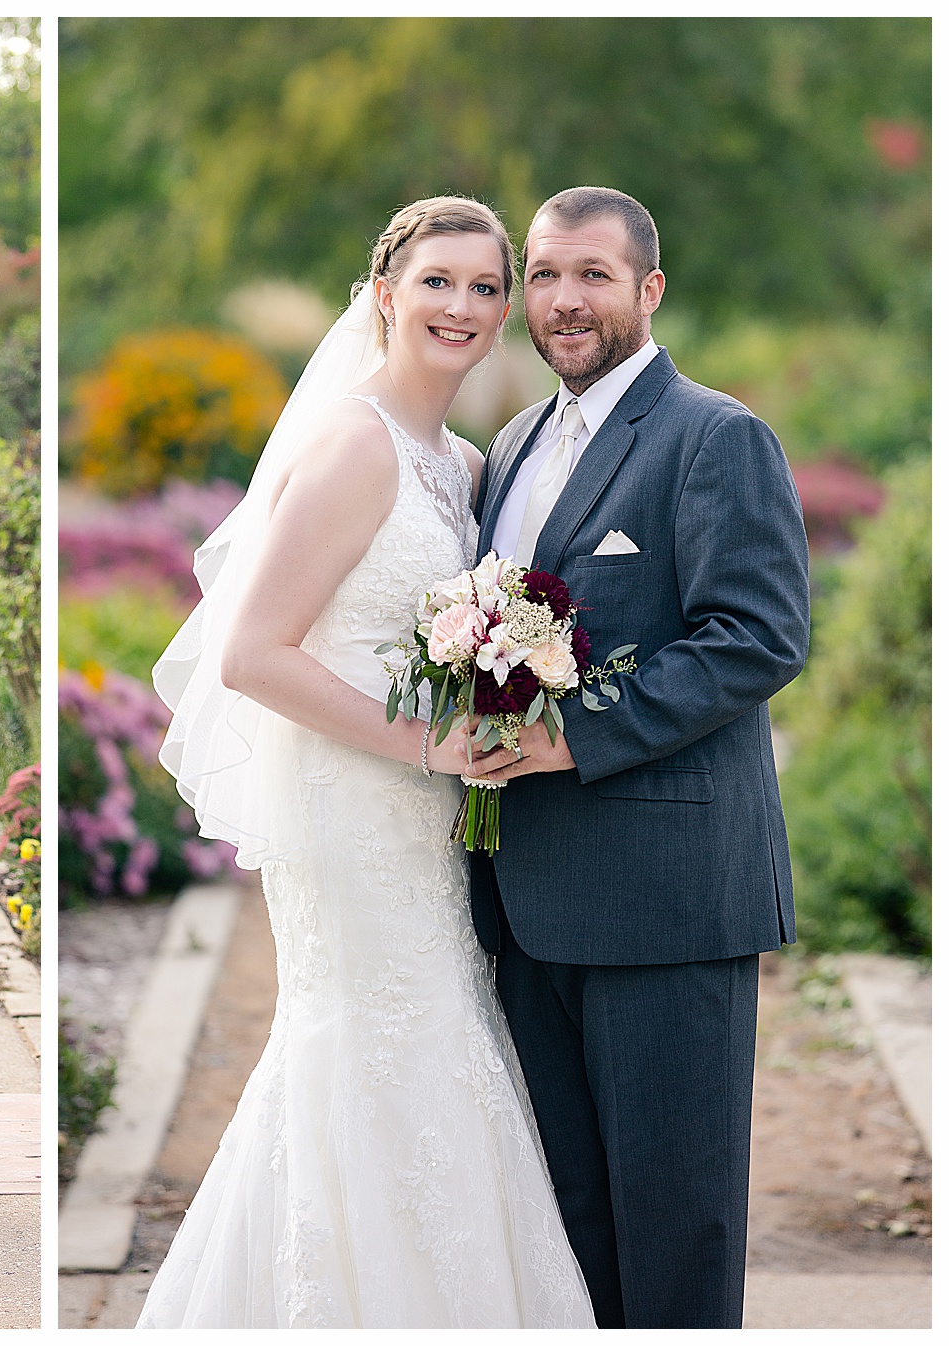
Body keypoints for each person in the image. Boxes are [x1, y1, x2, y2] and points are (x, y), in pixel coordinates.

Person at [139, 197, 595, 1328]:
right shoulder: (352, 442)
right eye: (438, 281)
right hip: (353, 810)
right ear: (384, 293)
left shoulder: (466, 460)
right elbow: (251, 653)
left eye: (487, 288)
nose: (464, 306)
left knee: (437, 1042)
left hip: (428, 816)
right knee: (376, 1045)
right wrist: (426, 740)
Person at [464, 186, 809, 1328]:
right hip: (527, 898)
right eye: (548, 274)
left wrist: (567, 736)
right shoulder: (512, 444)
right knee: (569, 1226)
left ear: (649, 290)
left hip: (668, 902)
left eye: (594, 275)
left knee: (674, 1225)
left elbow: (756, 636)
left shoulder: (717, 435)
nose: (565, 300)